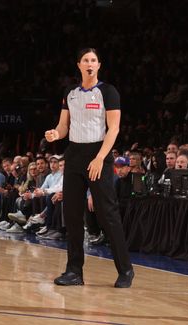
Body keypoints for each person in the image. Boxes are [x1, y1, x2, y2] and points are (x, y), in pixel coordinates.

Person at [44, 48, 133, 288]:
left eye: (94, 60)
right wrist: (55, 134)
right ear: (79, 65)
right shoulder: (70, 93)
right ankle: (74, 271)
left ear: (99, 65)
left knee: (107, 214)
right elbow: (63, 126)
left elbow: (113, 129)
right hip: (74, 154)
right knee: (72, 214)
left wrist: (100, 157)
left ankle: (125, 270)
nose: (90, 63)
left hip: (99, 154)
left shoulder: (108, 91)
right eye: (86, 60)